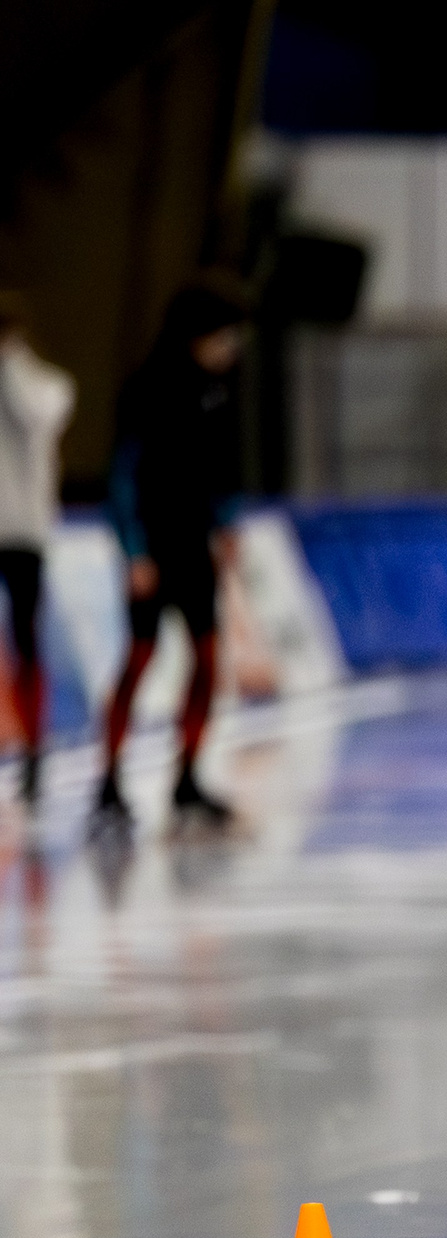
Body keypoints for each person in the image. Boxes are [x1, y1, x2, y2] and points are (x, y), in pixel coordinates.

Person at [96, 279, 251, 833]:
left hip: (194, 546)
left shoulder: (219, 390)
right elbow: (122, 477)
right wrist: (135, 552)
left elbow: (222, 465)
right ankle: (108, 782)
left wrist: (226, 522)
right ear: (194, 335)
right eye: (223, 336)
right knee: (139, 659)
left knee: (208, 661)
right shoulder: (146, 390)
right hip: (154, 547)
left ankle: (186, 779)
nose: (230, 348)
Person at [0, 292, 73, 806]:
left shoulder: (48, 386)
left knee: (26, 640)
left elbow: (33, 417)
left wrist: (9, 363)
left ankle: (33, 747)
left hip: (24, 534)